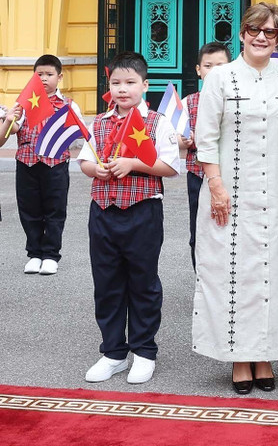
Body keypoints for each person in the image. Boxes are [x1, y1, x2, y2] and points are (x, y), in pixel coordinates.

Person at [192, 3, 278, 394]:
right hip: (229, 192)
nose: (261, 37)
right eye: (255, 29)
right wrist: (217, 186)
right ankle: (240, 356)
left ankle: (266, 352)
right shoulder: (221, 77)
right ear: (241, 33)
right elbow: (206, 137)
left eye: (270, 32)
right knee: (232, 272)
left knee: (272, 272)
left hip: (277, 193)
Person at [77, 51, 180, 385]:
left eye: (130, 82)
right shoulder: (100, 122)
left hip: (143, 212)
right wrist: (98, 170)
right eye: (116, 83)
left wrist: (134, 164)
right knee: (107, 284)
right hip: (103, 212)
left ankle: (144, 351)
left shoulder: (157, 122)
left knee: (143, 282)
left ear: (144, 85)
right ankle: (113, 352)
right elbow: (84, 162)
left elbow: (170, 167)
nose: (123, 89)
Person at [3, 55, 84, 276]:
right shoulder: (24, 103)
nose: (44, 79)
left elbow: (79, 135)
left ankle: (50, 255)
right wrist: (10, 119)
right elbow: (6, 136)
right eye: (40, 75)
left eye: (49, 74)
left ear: (60, 77)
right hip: (27, 164)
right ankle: (34, 254)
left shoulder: (69, 105)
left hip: (55, 165)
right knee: (29, 210)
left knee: (55, 210)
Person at [180, 42, 231, 271]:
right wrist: (184, 141)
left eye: (220, 65)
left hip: (231, 174)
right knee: (199, 228)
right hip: (198, 175)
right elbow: (177, 138)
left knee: (230, 228)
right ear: (198, 70)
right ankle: (201, 280)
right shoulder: (188, 102)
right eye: (208, 66)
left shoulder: (238, 99)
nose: (214, 71)